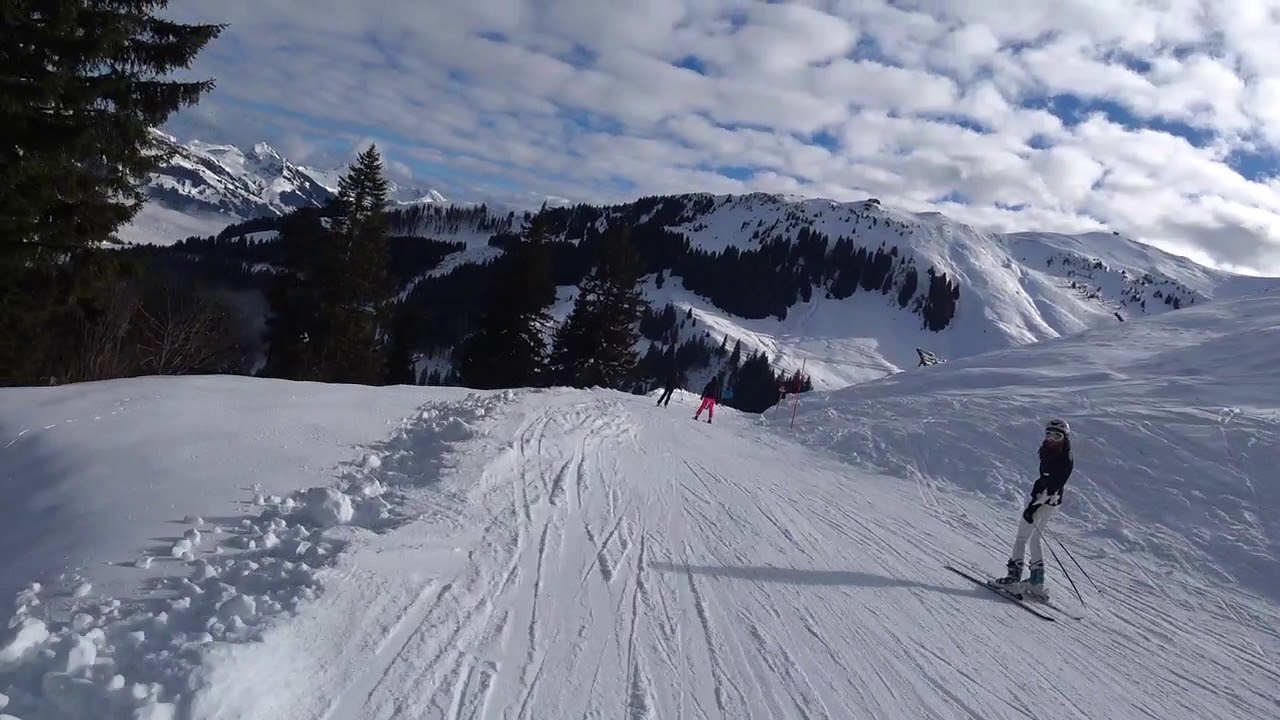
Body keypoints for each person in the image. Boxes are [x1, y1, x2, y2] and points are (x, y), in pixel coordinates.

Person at [994, 419, 1074, 600]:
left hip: (1045, 501)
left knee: (1022, 537)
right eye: (1048, 434)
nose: (1051, 439)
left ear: (1065, 438)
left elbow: (1052, 486)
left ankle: (1013, 579)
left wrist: (1032, 508)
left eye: (1056, 436)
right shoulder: (1055, 452)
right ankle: (1036, 581)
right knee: (1035, 538)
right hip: (1049, 502)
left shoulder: (1062, 458)